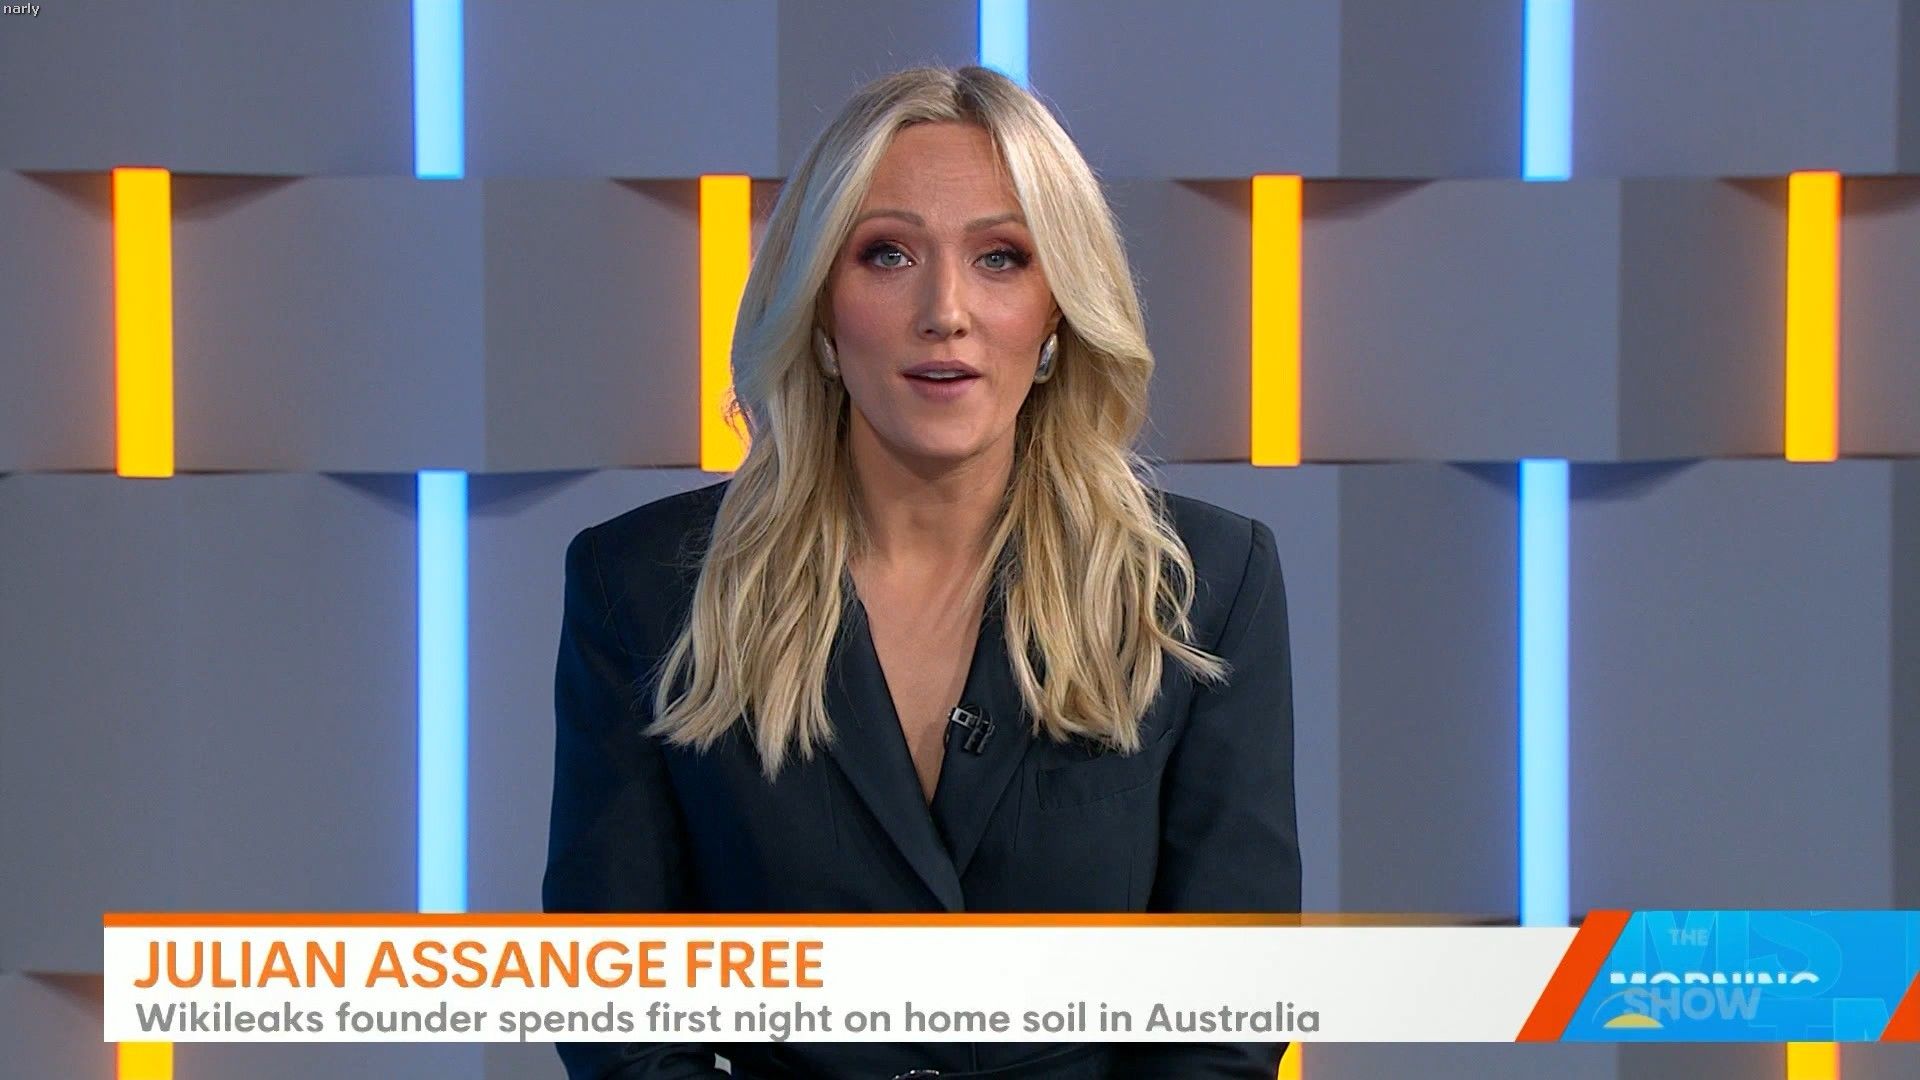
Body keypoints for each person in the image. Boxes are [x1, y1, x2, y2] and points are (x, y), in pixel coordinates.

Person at [543, 64, 1299, 1079]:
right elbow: (619, 1017)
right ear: (820, 305)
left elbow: (1225, 1019)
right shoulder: (640, 587)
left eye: (1001, 257)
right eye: (888, 254)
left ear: (1058, 310)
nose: (945, 310)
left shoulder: (1203, 584)